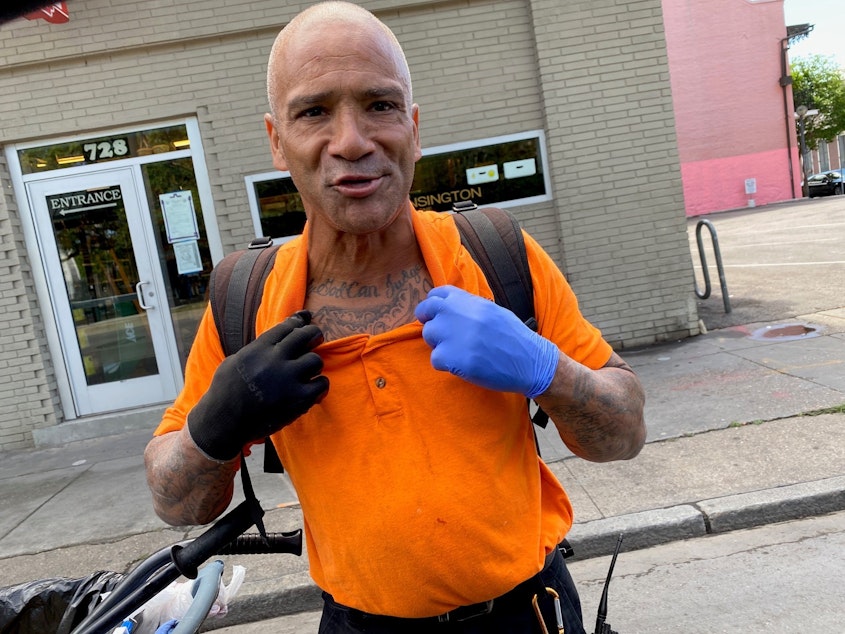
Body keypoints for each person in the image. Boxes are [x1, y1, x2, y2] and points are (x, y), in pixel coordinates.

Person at [144, 2, 646, 632]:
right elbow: (175, 503)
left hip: (527, 614)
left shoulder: (496, 255)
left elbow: (624, 434)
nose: (352, 141)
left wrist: (546, 370)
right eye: (314, 111)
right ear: (277, 140)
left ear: (413, 126)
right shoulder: (246, 298)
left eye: (379, 105)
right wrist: (216, 427)